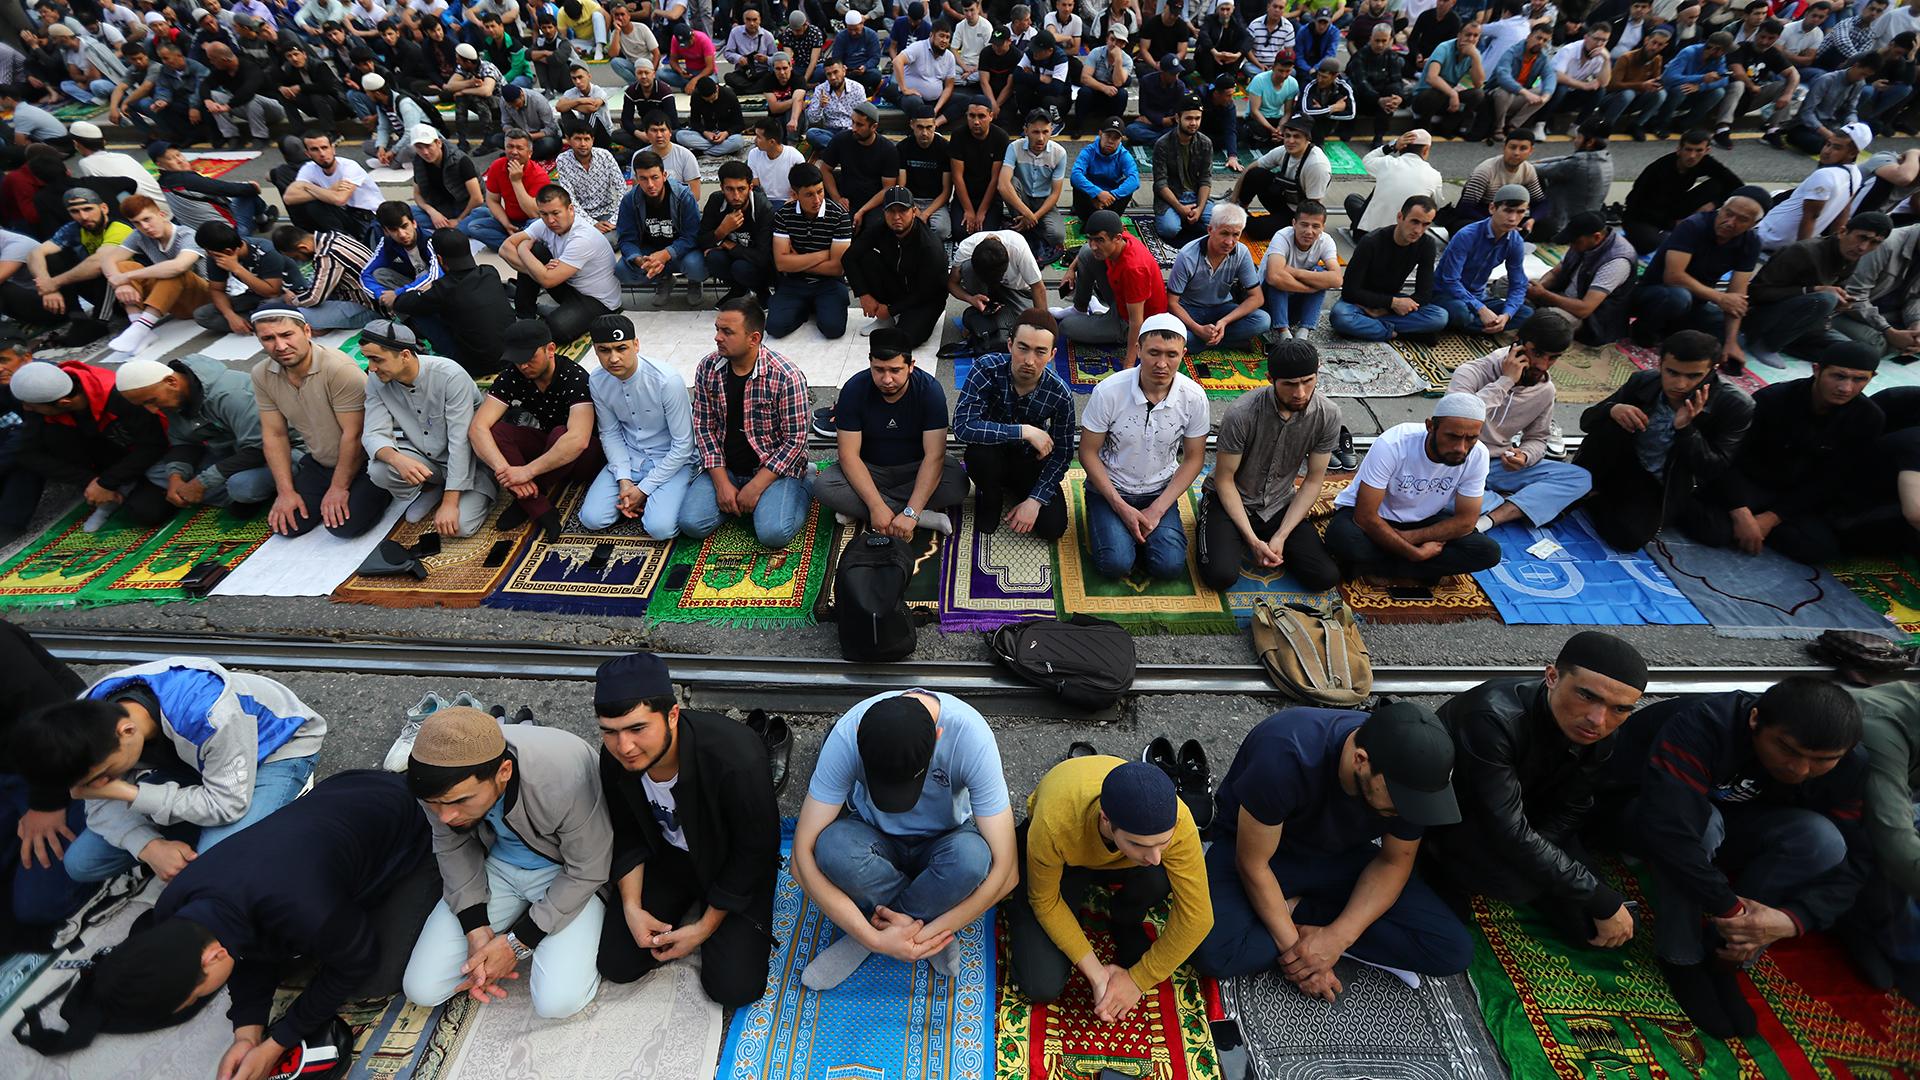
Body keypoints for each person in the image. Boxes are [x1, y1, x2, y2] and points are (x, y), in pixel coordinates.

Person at [80, 771, 439, 1075]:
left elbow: (358, 960)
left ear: (212, 956)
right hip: (339, 801)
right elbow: (242, 945)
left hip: (411, 821)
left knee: (372, 979)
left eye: (198, 994)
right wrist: (247, 1033)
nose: (204, 996)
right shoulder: (175, 903)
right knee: (295, 955)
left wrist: (277, 1044)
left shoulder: (302, 908)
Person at [1595, 678, 1870, 1038]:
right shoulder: (1703, 725)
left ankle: (1727, 952)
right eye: (1787, 749)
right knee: (1703, 826)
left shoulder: (1851, 765)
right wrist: (1730, 909)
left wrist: (1791, 920)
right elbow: (1671, 832)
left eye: (1821, 761)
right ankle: (1681, 955)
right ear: (1755, 720)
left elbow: (1857, 862)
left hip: (1733, 822)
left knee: (1824, 839)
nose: (1800, 769)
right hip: (1641, 812)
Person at [1191, 701, 1469, 993]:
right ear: (1360, 760)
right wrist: (1303, 960)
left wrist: (1337, 938)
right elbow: (1253, 864)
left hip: (1340, 855)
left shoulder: (1411, 778)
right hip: (1262, 853)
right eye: (1400, 800)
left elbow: (1393, 862)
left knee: (1451, 950)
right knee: (1216, 953)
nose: (1405, 811)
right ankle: (1295, 920)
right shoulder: (1286, 755)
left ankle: (1297, 909)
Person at [10, 658, 323, 887]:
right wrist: (150, 848)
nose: (99, 786)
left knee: (210, 868)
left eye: (102, 777)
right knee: (82, 864)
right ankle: (199, 831)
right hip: (194, 764)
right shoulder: (87, 716)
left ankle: (288, 795)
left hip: (272, 749)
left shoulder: (209, 714)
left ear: (127, 731)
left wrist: (128, 791)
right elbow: (100, 808)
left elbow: (227, 805)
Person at [1428, 634, 1650, 948]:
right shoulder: (1493, 717)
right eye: (1586, 696)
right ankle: (1444, 871)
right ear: (1552, 677)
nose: (1597, 719)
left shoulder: (1603, 732)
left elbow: (1573, 808)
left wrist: (1541, 859)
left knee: (1604, 927)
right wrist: (1587, 890)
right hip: (1466, 818)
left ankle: (1527, 874)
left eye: (1619, 709)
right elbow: (1504, 828)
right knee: (1507, 883)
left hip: (1531, 821)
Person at [583, 651, 779, 1004]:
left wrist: (703, 928)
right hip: (669, 859)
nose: (624, 747)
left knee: (733, 988)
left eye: (637, 729)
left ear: (672, 715)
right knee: (617, 963)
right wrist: (632, 907)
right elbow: (626, 832)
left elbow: (755, 851)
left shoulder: (737, 758)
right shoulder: (614, 759)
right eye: (610, 732)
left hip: (727, 861)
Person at [792, 688, 1017, 987]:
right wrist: (873, 939)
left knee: (972, 858)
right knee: (833, 848)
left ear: (938, 737)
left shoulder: (971, 737)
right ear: (859, 737)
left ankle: (877, 934)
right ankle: (908, 920)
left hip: (945, 838)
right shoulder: (847, 734)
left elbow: (1007, 872)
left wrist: (926, 935)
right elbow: (800, 859)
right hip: (873, 835)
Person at [400, 706, 611, 1021]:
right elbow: (451, 846)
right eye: (435, 805)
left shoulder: (563, 775)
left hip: (564, 869)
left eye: (460, 801)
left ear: (504, 772)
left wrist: (518, 942)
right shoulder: (433, 780)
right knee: (423, 988)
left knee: (557, 1003)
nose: (445, 816)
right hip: (498, 863)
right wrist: (475, 927)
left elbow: (589, 868)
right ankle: (518, 918)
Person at [1005, 756, 1212, 1019]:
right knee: (1040, 984)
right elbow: (1045, 901)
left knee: (1158, 876)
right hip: (1068, 860)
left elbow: (1198, 917)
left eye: (1163, 843)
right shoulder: (1054, 822)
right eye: (1140, 844)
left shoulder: (1177, 819)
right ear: (1105, 819)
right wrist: (1097, 973)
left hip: (1121, 858)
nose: (1155, 857)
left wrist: (1137, 980)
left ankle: (1124, 915)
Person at [1680, 344, 1885, 562]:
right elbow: (1729, 457)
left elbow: (1833, 478)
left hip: (1793, 493)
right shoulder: (1773, 399)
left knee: (1821, 549)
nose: (1845, 388)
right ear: (1817, 370)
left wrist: (1771, 518)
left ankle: (1756, 529)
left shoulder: (1868, 418)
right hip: (1749, 480)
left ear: (1872, 378)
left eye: (1859, 379)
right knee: (1713, 532)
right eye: (1838, 376)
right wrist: (1739, 512)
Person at [1574, 328, 1753, 552]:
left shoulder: (1735, 405)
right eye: (1672, 372)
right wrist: (1612, 409)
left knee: (1629, 537)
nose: (1680, 384)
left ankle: (1600, 498)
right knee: (1613, 420)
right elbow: (1587, 422)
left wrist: (1686, 430)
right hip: (1626, 463)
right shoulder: (1644, 381)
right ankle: (1589, 486)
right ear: (1660, 364)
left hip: (1670, 482)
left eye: (1693, 376)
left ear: (1711, 370)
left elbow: (1713, 468)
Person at [1197, 338, 1341, 593]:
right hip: (1231, 499)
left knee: (1325, 577)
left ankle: (1261, 537)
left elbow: (1313, 480)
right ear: (1270, 379)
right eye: (1290, 384)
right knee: (1219, 575)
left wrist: (1281, 535)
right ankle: (1227, 530)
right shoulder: (1242, 413)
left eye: (1308, 381)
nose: (1300, 393)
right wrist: (1253, 541)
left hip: (1278, 503)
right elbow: (1224, 480)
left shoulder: (1327, 415)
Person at [1078, 313, 1209, 580]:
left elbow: (1194, 458)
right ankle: (1110, 521)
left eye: (1171, 355)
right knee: (1115, 564)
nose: (1162, 364)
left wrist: (1158, 509)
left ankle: (1131, 532)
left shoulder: (1194, 398)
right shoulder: (1109, 392)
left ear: (1183, 354)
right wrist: (1120, 506)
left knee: (1169, 567)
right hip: (1111, 489)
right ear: (1138, 350)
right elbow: (1088, 452)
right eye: (1153, 353)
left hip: (1159, 492)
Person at [679, 298, 815, 548]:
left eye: (727, 332)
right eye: (717, 329)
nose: (717, 338)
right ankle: (740, 499)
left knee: (774, 534)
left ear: (753, 338)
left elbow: (795, 440)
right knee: (691, 524)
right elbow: (704, 427)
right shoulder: (708, 368)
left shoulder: (786, 376)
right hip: (727, 467)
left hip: (773, 469)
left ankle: (805, 481)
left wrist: (756, 487)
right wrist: (721, 483)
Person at [249, 306, 393, 540]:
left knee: (344, 526)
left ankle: (385, 489)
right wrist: (285, 492)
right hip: (321, 462)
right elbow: (274, 435)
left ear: (307, 331)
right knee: (288, 524)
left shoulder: (337, 369)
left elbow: (354, 434)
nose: (280, 346)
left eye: (287, 335)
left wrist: (338, 488)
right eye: (268, 338)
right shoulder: (262, 374)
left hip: (366, 461)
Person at [1325, 393, 1503, 583]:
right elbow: (1365, 517)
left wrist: (1408, 538)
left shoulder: (1478, 455)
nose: (1461, 448)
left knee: (1487, 551)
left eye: (1471, 438)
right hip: (1375, 518)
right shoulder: (1394, 443)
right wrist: (1413, 553)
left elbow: (1466, 521)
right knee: (1344, 538)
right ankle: (1418, 569)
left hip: (1422, 521)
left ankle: (1377, 566)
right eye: (1453, 437)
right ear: (1430, 426)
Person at [1446, 313, 1593, 533]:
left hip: (1497, 465)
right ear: (1517, 344)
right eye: (1538, 353)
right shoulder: (1472, 372)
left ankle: (1491, 517)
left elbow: (1538, 438)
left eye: (1553, 358)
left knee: (1579, 479)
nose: (1543, 365)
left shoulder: (1545, 389)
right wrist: (1505, 382)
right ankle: (1516, 502)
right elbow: (1456, 420)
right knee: (1431, 496)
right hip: (1457, 461)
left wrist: (1524, 455)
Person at [815, 328, 967, 536]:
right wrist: (876, 506)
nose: (887, 379)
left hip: (915, 469)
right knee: (825, 485)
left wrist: (910, 510)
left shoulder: (929, 391)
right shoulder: (854, 390)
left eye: (895, 370)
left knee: (957, 483)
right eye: (879, 370)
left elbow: (934, 456)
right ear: (870, 363)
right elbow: (848, 455)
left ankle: (865, 509)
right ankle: (920, 516)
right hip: (870, 469)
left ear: (910, 366)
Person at [359, 318, 497, 538]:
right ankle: (432, 488)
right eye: (368, 359)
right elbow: (372, 433)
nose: (371, 368)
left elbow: (461, 442)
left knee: (459, 527)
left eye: (377, 359)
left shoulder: (449, 376)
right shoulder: (376, 380)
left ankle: (470, 492)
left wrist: (450, 503)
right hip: (427, 458)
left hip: (471, 463)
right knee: (380, 469)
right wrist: (396, 459)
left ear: (405, 355)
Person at [468, 319, 600, 541]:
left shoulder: (574, 377)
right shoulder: (514, 375)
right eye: (517, 360)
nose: (523, 366)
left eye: (529, 358)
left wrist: (527, 472)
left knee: (562, 433)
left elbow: (579, 439)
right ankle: (538, 506)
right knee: (497, 431)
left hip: (586, 456)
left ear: (550, 349)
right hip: (548, 445)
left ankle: (529, 498)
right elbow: (478, 427)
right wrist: (508, 474)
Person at [0, 621, 91, 937]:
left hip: (68, 764)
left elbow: (58, 722)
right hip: (9, 771)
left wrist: (46, 805)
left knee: (39, 905)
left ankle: (118, 852)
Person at [5, 358, 168, 534]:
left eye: (30, 406)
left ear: (64, 403)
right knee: (47, 436)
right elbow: (25, 452)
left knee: (147, 512)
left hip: (151, 457)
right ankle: (113, 490)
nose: (26, 409)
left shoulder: (118, 395)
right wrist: (91, 481)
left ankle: (125, 487)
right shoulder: (44, 400)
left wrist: (107, 483)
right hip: (107, 461)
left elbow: (154, 445)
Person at [952, 309, 1074, 540]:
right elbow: (962, 426)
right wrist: (1023, 431)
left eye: (1040, 352)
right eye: (1023, 348)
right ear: (1010, 345)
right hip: (990, 455)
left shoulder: (1060, 393)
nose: (1029, 360)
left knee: (1053, 528)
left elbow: (1062, 454)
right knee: (978, 454)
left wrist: (1035, 500)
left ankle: (1022, 493)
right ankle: (991, 496)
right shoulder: (987, 368)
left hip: (1028, 462)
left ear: (1052, 355)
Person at [112, 355, 274, 525]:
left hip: (275, 454)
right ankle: (243, 495)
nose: (152, 410)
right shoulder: (175, 396)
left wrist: (202, 483)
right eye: (144, 405)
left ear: (171, 382)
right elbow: (184, 441)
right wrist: (176, 477)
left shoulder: (231, 395)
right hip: (230, 452)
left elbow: (259, 448)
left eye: (152, 401)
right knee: (158, 471)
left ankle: (253, 494)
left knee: (241, 486)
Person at [582, 313, 695, 537]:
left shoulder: (666, 381)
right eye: (604, 350)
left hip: (671, 461)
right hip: (631, 458)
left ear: (636, 345)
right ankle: (637, 499)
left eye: (621, 348)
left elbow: (684, 445)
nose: (613, 358)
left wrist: (643, 489)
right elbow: (610, 433)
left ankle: (657, 497)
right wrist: (624, 480)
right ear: (595, 350)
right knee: (592, 519)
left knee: (659, 528)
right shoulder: (597, 380)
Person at [1629, 186, 1767, 364]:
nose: (1730, 222)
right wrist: (1720, 298)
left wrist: (1731, 342)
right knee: (1678, 297)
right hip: (1658, 293)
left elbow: (1737, 297)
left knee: (1733, 336)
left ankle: (1672, 330)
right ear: (1721, 209)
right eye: (1728, 213)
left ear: (1753, 224)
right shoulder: (1694, 226)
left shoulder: (1751, 242)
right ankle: (1643, 330)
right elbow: (1673, 276)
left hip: (1697, 302)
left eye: (1742, 219)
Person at [1745, 214, 1892, 368]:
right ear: (1842, 232)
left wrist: (1841, 302)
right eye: (1862, 238)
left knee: (1856, 355)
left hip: (1806, 324)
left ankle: (1789, 343)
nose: (1863, 247)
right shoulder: (1803, 251)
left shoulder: (1851, 256)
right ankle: (1766, 344)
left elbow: (1834, 291)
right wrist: (1813, 290)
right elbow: (1756, 293)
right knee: (1825, 299)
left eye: (1874, 243)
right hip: (1764, 317)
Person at [503, 185, 621, 344]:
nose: (550, 220)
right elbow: (505, 248)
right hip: (568, 285)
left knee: (556, 329)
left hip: (597, 300)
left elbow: (547, 281)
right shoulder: (543, 224)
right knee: (535, 252)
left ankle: (554, 314)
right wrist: (538, 270)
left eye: (555, 213)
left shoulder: (582, 238)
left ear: (570, 209)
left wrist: (523, 250)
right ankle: (525, 314)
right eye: (544, 214)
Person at [391, 228, 512, 378]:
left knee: (419, 310)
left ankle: (421, 346)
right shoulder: (489, 271)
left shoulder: (443, 289)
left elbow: (401, 303)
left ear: (440, 259)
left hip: (477, 366)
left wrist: (424, 289)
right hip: (511, 354)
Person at [1058, 209, 1170, 371]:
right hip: (1122, 298)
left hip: (1131, 322)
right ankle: (1080, 309)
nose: (1094, 245)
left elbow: (1136, 321)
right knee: (1086, 253)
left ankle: (1108, 324)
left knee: (1066, 327)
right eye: (1090, 239)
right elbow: (1087, 249)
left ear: (1117, 238)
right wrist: (1071, 269)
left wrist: (1129, 363)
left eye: (1099, 240)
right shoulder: (1123, 239)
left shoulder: (1134, 269)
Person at [1332, 194, 1450, 342]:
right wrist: (1392, 303)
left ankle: (1372, 328)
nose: (1418, 230)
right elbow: (1350, 291)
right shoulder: (1371, 242)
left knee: (1440, 316)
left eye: (1425, 224)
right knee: (1340, 316)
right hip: (1360, 302)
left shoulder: (1426, 244)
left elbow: (1424, 293)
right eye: (1414, 222)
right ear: (1400, 217)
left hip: (1391, 302)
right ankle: (1398, 333)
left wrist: (1389, 308)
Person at [102, 195, 208, 359]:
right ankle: (140, 329)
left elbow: (179, 266)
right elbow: (108, 260)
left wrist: (126, 277)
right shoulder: (139, 235)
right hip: (174, 302)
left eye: (147, 219)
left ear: (162, 214)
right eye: (137, 223)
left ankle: (140, 328)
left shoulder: (187, 235)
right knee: (123, 266)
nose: (145, 227)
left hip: (205, 299)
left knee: (173, 271)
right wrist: (121, 284)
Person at [846, 189, 949, 347]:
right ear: (884, 212)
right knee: (866, 257)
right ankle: (886, 318)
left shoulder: (930, 246)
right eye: (891, 211)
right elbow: (848, 257)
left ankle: (895, 315)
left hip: (927, 297)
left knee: (905, 340)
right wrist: (863, 294)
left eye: (902, 211)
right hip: (899, 283)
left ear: (914, 212)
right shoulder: (881, 228)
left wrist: (891, 310)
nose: (896, 217)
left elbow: (927, 292)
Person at [1756, 123, 1874, 254]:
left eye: (1837, 148)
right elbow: (1843, 214)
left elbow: (1810, 217)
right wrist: (1834, 249)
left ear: (1852, 153)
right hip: (1786, 240)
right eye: (1828, 144)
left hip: (1768, 237)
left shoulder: (1825, 175)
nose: (1827, 151)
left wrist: (1799, 254)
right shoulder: (1856, 175)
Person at [1621, 130, 1744, 254]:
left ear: (1706, 151)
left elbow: (1737, 184)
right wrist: (1673, 224)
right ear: (1679, 150)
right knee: (1647, 243)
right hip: (1643, 214)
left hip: (1674, 206)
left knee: (1718, 184)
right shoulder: (1659, 169)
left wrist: (1714, 203)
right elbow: (1635, 203)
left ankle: (1680, 230)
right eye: (1688, 150)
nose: (1692, 156)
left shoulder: (1705, 161)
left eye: (1699, 151)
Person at [768, 163, 854, 340]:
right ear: (794, 194)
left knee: (833, 329)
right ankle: (806, 308)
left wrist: (797, 260)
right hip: (794, 283)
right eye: (809, 194)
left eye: (820, 191)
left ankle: (817, 306)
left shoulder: (839, 215)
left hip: (829, 284)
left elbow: (837, 268)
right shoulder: (784, 215)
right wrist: (824, 254)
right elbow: (782, 264)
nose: (817, 199)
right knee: (775, 328)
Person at [1528, 211, 1640, 346]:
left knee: (1546, 321)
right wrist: (1538, 287)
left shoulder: (1617, 261)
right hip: (1562, 297)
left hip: (1592, 320)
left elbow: (1585, 309)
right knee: (1511, 285)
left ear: (1597, 237)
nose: (1571, 246)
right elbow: (1555, 273)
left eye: (1575, 242)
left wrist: (1543, 295)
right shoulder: (1581, 243)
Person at [1435, 183, 1534, 334]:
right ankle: (1475, 324)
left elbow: (1518, 284)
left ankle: (1480, 325)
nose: (1513, 218)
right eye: (1508, 211)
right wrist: (1480, 309)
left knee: (1526, 313)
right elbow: (1450, 280)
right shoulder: (1467, 235)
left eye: (1520, 212)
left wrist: (1507, 315)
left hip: (1479, 296)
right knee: (1460, 312)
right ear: (1492, 208)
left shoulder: (1515, 241)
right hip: (1447, 294)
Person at [615, 150, 705, 304]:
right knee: (622, 270)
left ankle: (694, 282)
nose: (650, 184)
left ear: (664, 175)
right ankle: (664, 279)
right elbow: (626, 239)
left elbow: (692, 235)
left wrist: (666, 254)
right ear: (636, 179)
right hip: (650, 252)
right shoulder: (630, 200)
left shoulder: (683, 196)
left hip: (682, 251)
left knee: (696, 266)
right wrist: (639, 260)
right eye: (643, 179)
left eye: (654, 177)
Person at [190, 220, 296, 334]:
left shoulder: (267, 251)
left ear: (228, 251)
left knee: (269, 305)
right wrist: (231, 316)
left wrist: (237, 268)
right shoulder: (215, 257)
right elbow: (216, 289)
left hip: (285, 296)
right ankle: (261, 321)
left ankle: (261, 320)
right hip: (254, 296)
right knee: (203, 315)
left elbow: (272, 292)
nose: (208, 255)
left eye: (208, 252)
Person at [1233, 118, 1330, 239]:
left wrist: (1303, 230)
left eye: (1296, 136)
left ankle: (1248, 221)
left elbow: (1313, 207)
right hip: (1282, 200)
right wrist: (1233, 204)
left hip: (1298, 213)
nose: (1290, 141)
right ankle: (1241, 209)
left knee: (1256, 229)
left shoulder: (1317, 165)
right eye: (1287, 136)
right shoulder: (1283, 151)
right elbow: (1249, 170)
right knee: (1255, 173)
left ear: (1307, 139)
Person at [271, 223, 379, 330]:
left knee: (294, 316)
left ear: (303, 248)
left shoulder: (327, 255)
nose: (300, 261)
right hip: (362, 295)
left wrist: (293, 300)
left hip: (370, 308)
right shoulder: (335, 236)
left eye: (297, 257)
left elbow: (314, 298)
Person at [1260, 202, 1342, 340]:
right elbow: (1273, 277)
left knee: (1320, 273)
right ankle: (1283, 332)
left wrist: (1295, 272)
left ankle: (1304, 330)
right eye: (1304, 225)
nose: (1309, 231)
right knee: (1279, 277)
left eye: (1315, 226)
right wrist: (1309, 288)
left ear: (1323, 228)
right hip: (1268, 303)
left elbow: (1337, 279)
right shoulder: (1282, 236)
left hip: (1294, 305)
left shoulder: (1326, 241)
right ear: (1294, 223)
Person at [458, 128, 549, 252]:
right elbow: (492, 200)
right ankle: (516, 246)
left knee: (538, 224)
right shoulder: (497, 166)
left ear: (530, 153)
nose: (514, 152)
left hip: (530, 222)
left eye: (520, 148)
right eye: (510, 147)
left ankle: (512, 245)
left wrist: (516, 181)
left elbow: (533, 213)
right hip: (509, 219)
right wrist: (506, 224)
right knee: (474, 225)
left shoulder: (539, 175)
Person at [700, 159, 775, 307]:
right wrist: (721, 231)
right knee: (714, 258)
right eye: (729, 189)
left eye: (741, 189)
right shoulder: (716, 200)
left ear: (750, 187)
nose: (736, 196)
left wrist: (727, 243)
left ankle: (762, 291)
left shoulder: (763, 208)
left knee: (741, 267)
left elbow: (763, 257)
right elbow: (701, 239)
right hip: (733, 256)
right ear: (722, 188)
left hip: (755, 264)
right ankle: (737, 290)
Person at [997, 109, 1068, 265]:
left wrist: (1033, 217)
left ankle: (1025, 225)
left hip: (1044, 202)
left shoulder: (1059, 153)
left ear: (1051, 131)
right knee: (1011, 182)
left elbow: (1055, 194)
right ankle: (1025, 222)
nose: (1040, 138)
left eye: (1045, 132)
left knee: (1057, 236)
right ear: (1026, 131)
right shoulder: (1014, 147)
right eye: (1035, 132)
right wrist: (1027, 212)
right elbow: (1003, 185)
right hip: (1021, 199)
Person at [283, 129, 382, 240]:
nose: (322, 154)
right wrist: (328, 190)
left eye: (324, 148)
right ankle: (340, 240)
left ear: (333, 149)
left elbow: (340, 199)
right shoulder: (309, 168)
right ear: (308, 154)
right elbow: (288, 198)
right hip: (346, 214)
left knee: (318, 202)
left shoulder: (349, 167)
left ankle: (346, 241)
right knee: (313, 204)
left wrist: (307, 186)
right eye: (315, 149)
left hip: (370, 217)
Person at [1838, 221, 1920, 354]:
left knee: (1912, 341)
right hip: (1848, 311)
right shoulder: (1886, 243)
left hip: (1888, 313)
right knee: (1878, 345)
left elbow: (1915, 297)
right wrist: (1888, 330)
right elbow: (1854, 295)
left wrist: (1916, 324)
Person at [1346, 130, 1445, 241]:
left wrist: (1392, 146)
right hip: (1406, 237)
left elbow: (1367, 160)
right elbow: (1436, 206)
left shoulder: (1387, 163)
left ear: (1402, 146)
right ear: (1426, 149)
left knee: (1353, 199)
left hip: (1366, 235)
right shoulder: (1434, 175)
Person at [1772, 52, 1878, 152]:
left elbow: (1851, 110)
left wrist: (1852, 124)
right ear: (1856, 65)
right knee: (1815, 143)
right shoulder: (1827, 80)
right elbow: (1806, 112)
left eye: (1866, 76)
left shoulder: (1860, 83)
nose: (1862, 78)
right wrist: (1825, 133)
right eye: (1862, 74)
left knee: (1872, 127)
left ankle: (1837, 143)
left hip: (1832, 124)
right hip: (1809, 125)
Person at [1531, 122, 1613, 243]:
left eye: (1579, 137)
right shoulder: (1605, 158)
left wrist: (1518, 163)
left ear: (1590, 142)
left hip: (1562, 228)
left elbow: (1535, 170)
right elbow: (1564, 159)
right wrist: (1535, 162)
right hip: (1586, 223)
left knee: (1528, 175)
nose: (1575, 140)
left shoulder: (1578, 164)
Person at [1644, 30, 1734, 138]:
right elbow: (1669, 78)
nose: (1725, 54)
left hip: (1694, 92)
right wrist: (1702, 78)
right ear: (1715, 49)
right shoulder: (1689, 52)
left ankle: (1684, 124)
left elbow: (1724, 80)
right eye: (1724, 51)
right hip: (1671, 92)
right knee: (1681, 89)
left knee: (1718, 92)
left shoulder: (1719, 58)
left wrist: (1700, 86)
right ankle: (1660, 123)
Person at [1451, 132, 1546, 233]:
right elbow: (1465, 208)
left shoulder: (1528, 170)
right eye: (1512, 147)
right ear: (1504, 147)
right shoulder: (1485, 171)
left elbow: (1540, 202)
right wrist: (1496, 224)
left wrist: (1532, 220)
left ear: (1530, 150)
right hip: (1483, 217)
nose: (1516, 153)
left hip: (1512, 217)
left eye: (1523, 148)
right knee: (1463, 228)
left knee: (1548, 225)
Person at [1151, 101, 1214, 242]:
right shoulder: (1163, 144)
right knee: (1169, 229)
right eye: (1189, 118)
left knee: (1219, 225)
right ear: (1178, 118)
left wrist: (1200, 209)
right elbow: (1160, 184)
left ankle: (1191, 219)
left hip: (1195, 196)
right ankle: (1185, 220)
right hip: (1171, 198)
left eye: (1197, 118)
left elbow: (1205, 179)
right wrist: (1180, 208)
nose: (1193, 123)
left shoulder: (1205, 143)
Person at [1413, 21, 1486, 139]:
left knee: (1478, 94)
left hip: (1447, 98)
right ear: (1459, 35)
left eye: (1475, 35)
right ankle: (1423, 126)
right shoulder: (1444, 48)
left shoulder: (1474, 54)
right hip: (1425, 97)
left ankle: (1447, 126)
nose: (1471, 39)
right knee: (1435, 94)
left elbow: (1478, 84)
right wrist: (1453, 93)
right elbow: (1431, 78)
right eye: (1468, 35)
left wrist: (1475, 58)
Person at [550, 122, 626, 234]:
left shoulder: (605, 156)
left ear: (592, 140)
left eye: (586, 139)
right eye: (578, 139)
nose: (583, 144)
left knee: (611, 239)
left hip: (607, 212)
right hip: (578, 215)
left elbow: (622, 188)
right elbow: (569, 197)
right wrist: (592, 223)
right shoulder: (563, 160)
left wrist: (613, 221)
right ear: (568, 139)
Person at [1488, 21, 1558, 143]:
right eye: (1538, 38)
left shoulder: (1542, 58)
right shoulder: (1512, 52)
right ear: (1529, 37)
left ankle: (1513, 126)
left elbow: (1550, 76)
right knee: (1505, 92)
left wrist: (1546, 95)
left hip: (1518, 97)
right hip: (1497, 93)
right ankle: (1498, 128)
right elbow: (1503, 76)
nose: (1541, 43)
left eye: (1545, 40)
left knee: (1543, 92)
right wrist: (1525, 92)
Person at [409, 125, 484, 238]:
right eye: (419, 148)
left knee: (479, 218)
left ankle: (449, 230)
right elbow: (417, 194)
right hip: (441, 209)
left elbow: (477, 198)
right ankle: (449, 230)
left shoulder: (460, 160)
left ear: (438, 143)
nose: (425, 152)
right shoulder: (418, 161)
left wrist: (459, 220)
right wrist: (432, 212)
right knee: (407, 213)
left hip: (467, 209)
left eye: (428, 146)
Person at [948, 96, 1007, 241]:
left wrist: (982, 211)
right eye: (972, 116)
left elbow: (995, 178)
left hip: (990, 197)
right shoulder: (958, 136)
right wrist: (968, 210)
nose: (976, 121)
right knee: (961, 233)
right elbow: (957, 176)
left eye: (981, 116)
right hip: (965, 195)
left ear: (990, 116)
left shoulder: (1000, 137)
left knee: (985, 234)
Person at [1069, 116, 1139, 223]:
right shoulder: (1088, 151)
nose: (1110, 141)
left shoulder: (1124, 155)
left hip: (1111, 202)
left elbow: (1134, 180)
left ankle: (1111, 219)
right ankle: (1087, 219)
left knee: (1128, 184)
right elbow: (1075, 175)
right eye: (1108, 136)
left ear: (1121, 139)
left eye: (1115, 138)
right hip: (1090, 198)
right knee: (1078, 183)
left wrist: (1112, 195)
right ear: (1100, 134)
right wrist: (1097, 193)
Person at [1604, 25, 1672, 135]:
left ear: (1664, 46)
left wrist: (1657, 84)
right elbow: (1612, 85)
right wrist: (1641, 85)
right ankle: (1606, 125)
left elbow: (1654, 82)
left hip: (1637, 99)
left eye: (1660, 45)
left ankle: (1637, 125)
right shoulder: (1626, 57)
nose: (1654, 47)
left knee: (1661, 94)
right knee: (1628, 93)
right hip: (1614, 99)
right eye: (1653, 42)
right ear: (1646, 40)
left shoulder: (1657, 59)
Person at [895, 113, 953, 242]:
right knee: (899, 226)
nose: (924, 133)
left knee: (942, 230)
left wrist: (925, 214)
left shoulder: (945, 148)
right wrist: (913, 208)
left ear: (935, 126)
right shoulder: (903, 147)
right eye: (920, 127)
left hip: (936, 201)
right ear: (912, 125)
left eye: (929, 127)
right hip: (910, 199)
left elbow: (946, 191)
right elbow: (901, 186)